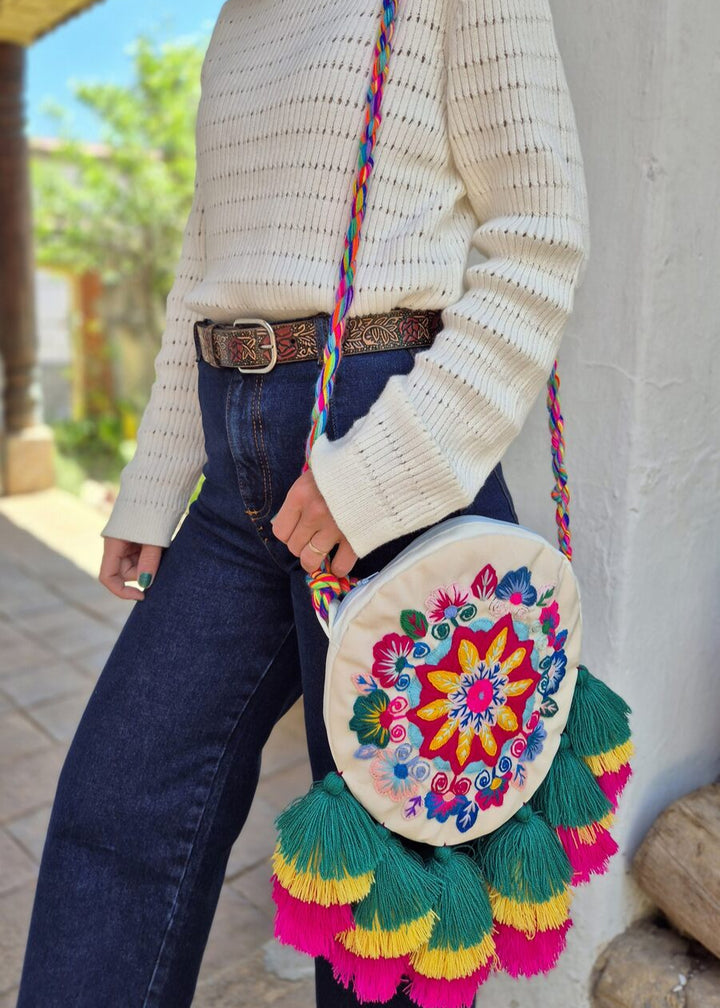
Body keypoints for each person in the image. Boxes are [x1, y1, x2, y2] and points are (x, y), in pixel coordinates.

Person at [16, 0, 590, 1005]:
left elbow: (539, 238)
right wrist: (154, 481)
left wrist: (378, 472)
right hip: (232, 449)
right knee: (122, 799)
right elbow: (206, 274)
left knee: (385, 889)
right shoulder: (239, 20)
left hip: (383, 435)